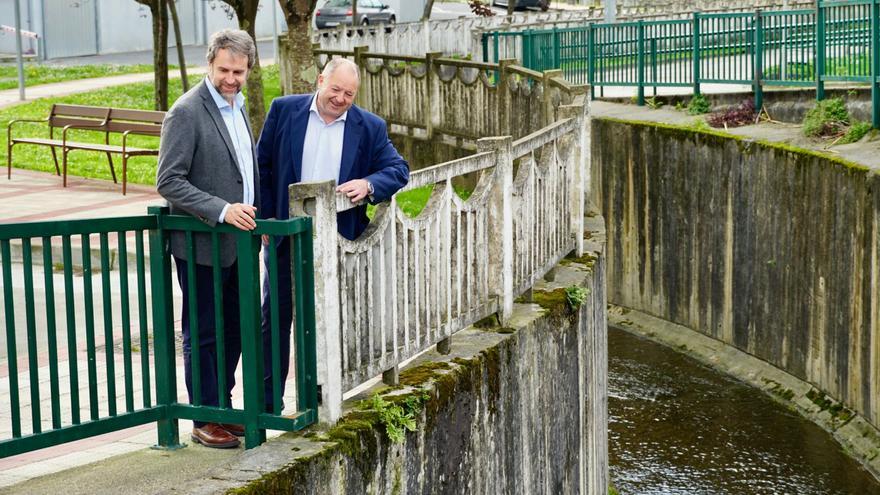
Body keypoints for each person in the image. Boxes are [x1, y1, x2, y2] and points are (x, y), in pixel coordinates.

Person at [256, 57, 409, 409]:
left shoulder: (368, 127)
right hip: (285, 237)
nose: (340, 99)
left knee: (328, 321)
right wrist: (266, 216)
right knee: (274, 320)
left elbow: (399, 169)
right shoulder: (283, 110)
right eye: (335, 89)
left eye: (349, 94)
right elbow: (262, 165)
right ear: (320, 80)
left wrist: (370, 183)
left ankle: (322, 398)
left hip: (338, 243)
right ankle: (268, 405)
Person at [156, 29, 259, 449]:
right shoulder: (186, 111)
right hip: (201, 243)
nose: (231, 78)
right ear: (209, 64)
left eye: (239, 71)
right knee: (203, 331)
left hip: (241, 244)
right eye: (224, 70)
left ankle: (222, 407)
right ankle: (203, 416)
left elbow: (241, 171)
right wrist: (222, 209)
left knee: (235, 327)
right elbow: (169, 180)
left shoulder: (238, 106)